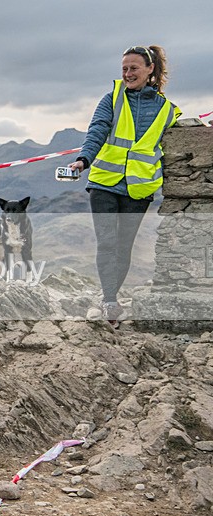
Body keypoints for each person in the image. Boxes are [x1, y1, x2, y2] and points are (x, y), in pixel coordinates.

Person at [69, 45, 181, 326]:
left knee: (124, 247)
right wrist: (84, 160)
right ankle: (109, 301)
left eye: (133, 68)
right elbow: (97, 130)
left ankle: (110, 295)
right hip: (105, 183)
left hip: (139, 190)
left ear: (150, 69)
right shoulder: (112, 99)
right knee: (107, 242)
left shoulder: (168, 111)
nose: (128, 74)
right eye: (124, 69)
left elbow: (176, 144)